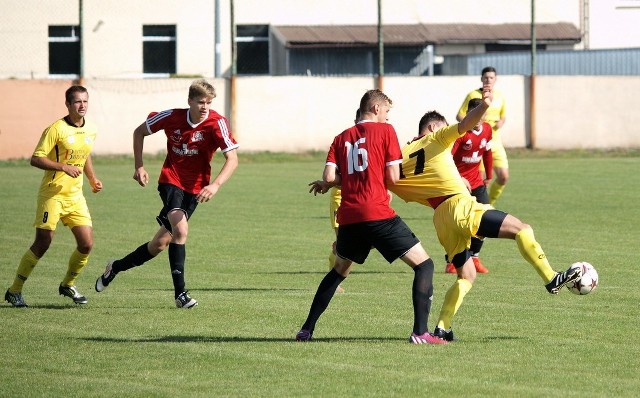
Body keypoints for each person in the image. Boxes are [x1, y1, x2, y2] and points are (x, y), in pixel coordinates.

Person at [389, 85, 582, 341]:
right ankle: (550, 277)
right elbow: (466, 124)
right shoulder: (437, 138)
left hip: (441, 220)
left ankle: (442, 328)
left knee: (466, 275)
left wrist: (334, 182)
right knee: (521, 228)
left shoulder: (399, 159)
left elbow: (384, 180)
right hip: (461, 207)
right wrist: (484, 106)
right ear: (434, 127)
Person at [297, 89, 447, 345]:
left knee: (339, 271)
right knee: (425, 265)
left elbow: (330, 178)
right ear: (376, 108)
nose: (388, 117)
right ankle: (420, 332)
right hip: (377, 213)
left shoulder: (340, 138)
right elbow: (393, 178)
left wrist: (327, 185)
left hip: (350, 217)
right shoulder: (386, 132)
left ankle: (306, 329)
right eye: (387, 111)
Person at [94, 79, 239, 309]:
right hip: (170, 181)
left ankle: (116, 267)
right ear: (189, 100)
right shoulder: (171, 117)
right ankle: (180, 295)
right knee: (181, 229)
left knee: (159, 244)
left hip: (196, 189)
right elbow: (139, 132)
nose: (205, 107)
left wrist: (215, 185)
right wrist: (139, 166)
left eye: (209, 103)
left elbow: (232, 158)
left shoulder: (217, 122)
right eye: (200, 102)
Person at [5, 85, 102, 307]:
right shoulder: (55, 129)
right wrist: (63, 167)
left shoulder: (91, 129)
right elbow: (36, 158)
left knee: (86, 244)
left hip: (75, 196)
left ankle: (68, 284)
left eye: (85, 101)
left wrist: (92, 179)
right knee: (43, 242)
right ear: (67, 105)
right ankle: (15, 290)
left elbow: (84, 155)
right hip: (53, 194)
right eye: (77, 102)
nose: (82, 105)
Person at [445, 97, 493, 274]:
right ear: (469, 114)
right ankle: (452, 260)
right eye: (476, 114)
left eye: (482, 114)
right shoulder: (460, 134)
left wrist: (489, 174)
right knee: (458, 223)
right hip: (458, 185)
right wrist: (456, 179)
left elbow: (487, 152)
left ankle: (475, 258)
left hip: (477, 183)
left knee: (485, 218)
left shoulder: (487, 130)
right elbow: (447, 159)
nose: (479, 118)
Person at [456, 66, 508, 206]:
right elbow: (460, 115)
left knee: (503, 177)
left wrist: (501, 122)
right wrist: (469, 125)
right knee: (478, 179)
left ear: (495, 79)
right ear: (481, 79)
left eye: (491, 77)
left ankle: (489, 204)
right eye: (486, 77)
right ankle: (476, 207)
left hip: (493, 140)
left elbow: (503, 116)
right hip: (475, 142)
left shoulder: (500, 97)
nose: (488, 80)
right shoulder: (472, 95)